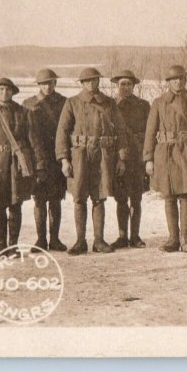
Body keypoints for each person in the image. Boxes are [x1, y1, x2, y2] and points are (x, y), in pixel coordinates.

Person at [56, 68, 129, 255]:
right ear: (81, 83)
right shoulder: (72, 103)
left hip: (103, 157)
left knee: (99, 197)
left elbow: (120, 131)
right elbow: (62, 132)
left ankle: (99, 240)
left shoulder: (109, 103)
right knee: (79, 197)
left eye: (94, 80)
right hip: (80, 156)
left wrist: (121, 158)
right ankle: (80, 241)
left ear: (98, 81)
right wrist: (64, 159)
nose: (90, 84)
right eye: (87, 81)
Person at [143, 65, 187, 253]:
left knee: (186, 195)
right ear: (168, 82)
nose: (178, 82)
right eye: (174, 79)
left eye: (181, 78)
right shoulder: (159, 102)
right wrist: (148, 158)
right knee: (169, 195)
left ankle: (185, 238)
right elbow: (150, 132)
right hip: (165, 154)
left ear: (185, 80)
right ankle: (173, 238)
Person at [0, 78, 44, 258]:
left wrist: (38, 166)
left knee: (15, 205)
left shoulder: (23, 113)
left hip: (17, 165)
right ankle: (0, 245)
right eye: (0, 89)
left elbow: (34, 141)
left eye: (8, 89)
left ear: (13, 92)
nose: (4, 92)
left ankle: (13, 246)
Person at [22, 68, 68, 252]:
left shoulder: (64, 103)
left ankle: (55, 239)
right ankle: (41, 240)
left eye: (50, 83)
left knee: (56, 200)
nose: (47, 86)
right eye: (43, 83)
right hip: (37, 159)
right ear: (38, 85)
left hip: (57, 158)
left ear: (55, 83)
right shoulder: (28, 104)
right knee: (39, 200)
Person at [110, 70, 150, 249]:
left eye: (128, 84)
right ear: (117, 86)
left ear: (133, 86)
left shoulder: (143, 105)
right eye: (122, 84)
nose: (125, 87)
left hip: (137, 157)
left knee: (136, 197)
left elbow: (150, 132)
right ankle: (122, 236)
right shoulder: (111, 105)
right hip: (118, 157)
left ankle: (135, 235)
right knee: (120, 198)